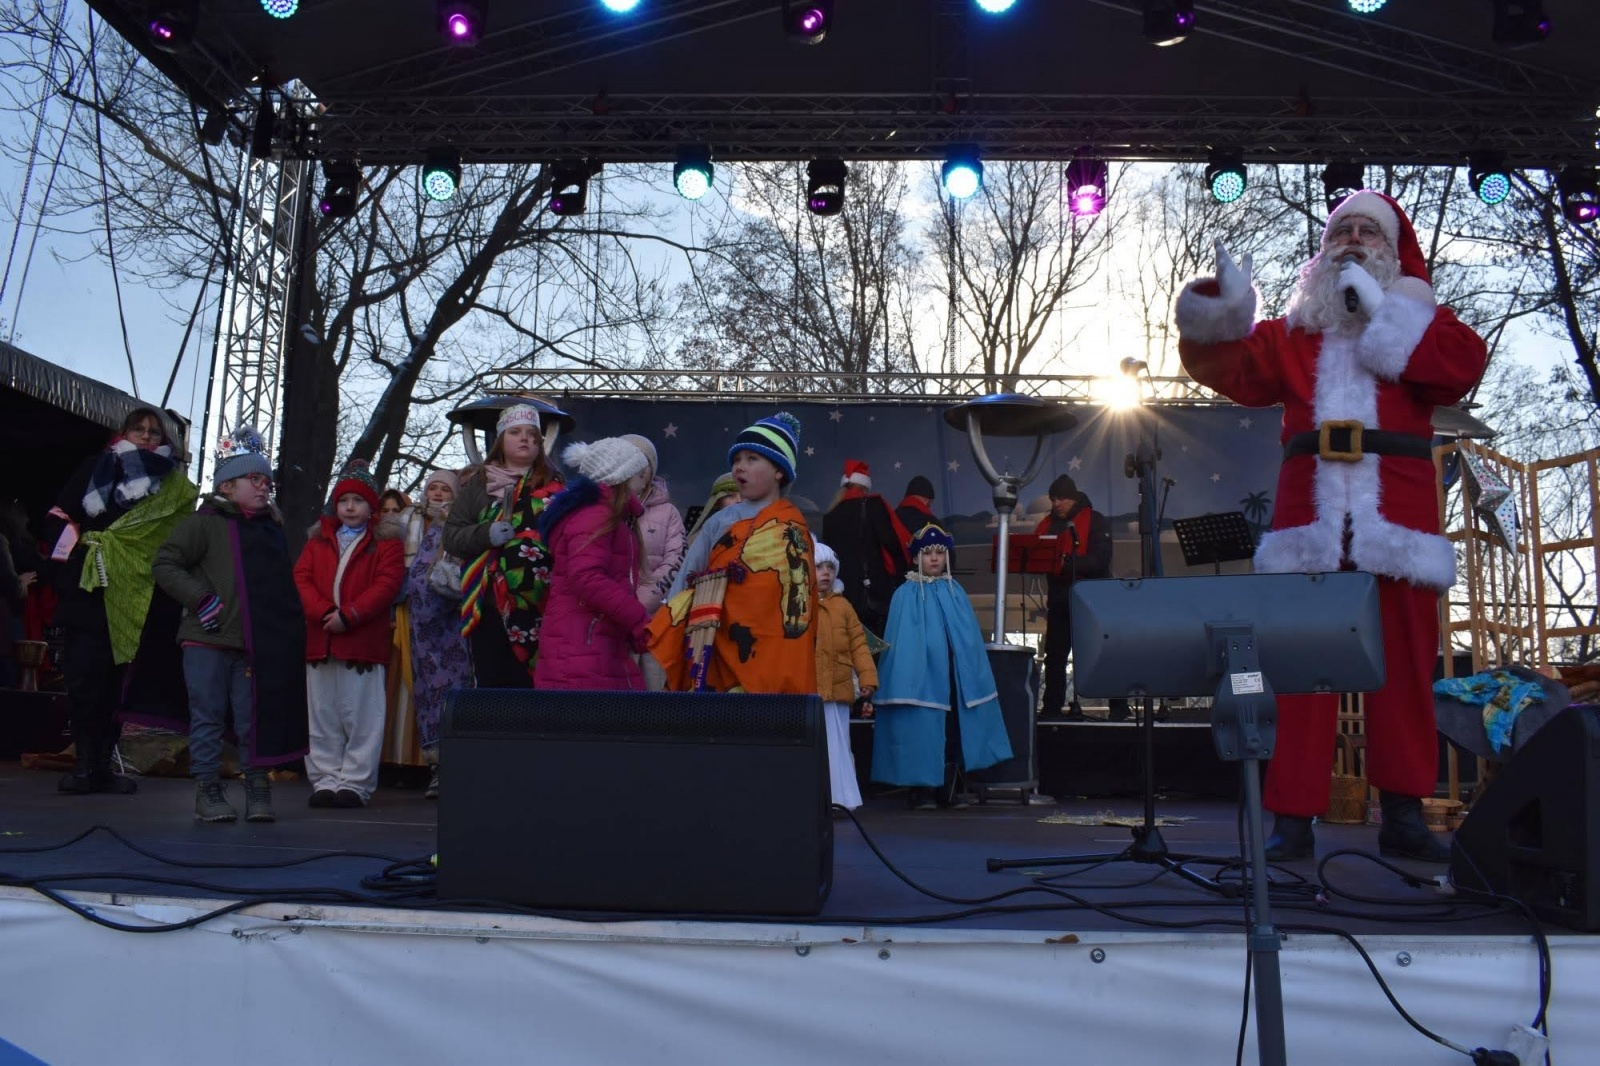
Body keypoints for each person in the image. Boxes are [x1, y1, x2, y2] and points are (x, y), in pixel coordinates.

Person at [1175, 189, 1487, 862]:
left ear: (1394, 248)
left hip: (1396, 518)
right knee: (1298, 671)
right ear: (1322, 250)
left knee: (1404, 670)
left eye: (1365, 230)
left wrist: (1385, 316)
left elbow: (1461, 367)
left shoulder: (1423, 320)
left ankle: (1404, 813)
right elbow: (1224, 365)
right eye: (1339, 230)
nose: (1350, 239)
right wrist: (1221, 307)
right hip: (1308, 520)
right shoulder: (1296, 331)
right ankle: (1292, 819)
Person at [152, 426, 308, 823]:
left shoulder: (270, 531)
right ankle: (208, 790)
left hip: (251, 643)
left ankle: (257, 786)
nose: (263, 487)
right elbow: (165, 563)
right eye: (254, 480)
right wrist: (200, 598)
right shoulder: (204, 522)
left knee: (252, 716)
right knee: (206, 715)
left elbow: (278, 590)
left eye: (266, 481)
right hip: (206, 638)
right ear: (227, 486)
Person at [42, 406, 196, 795]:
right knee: (83, 679)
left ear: (165, 442)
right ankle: (84, 765)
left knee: (119, 685)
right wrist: (82, 551)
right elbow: (59, 515)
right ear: (125, 430)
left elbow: (177, 542)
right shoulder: (97, 466)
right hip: (91, 588)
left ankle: (105, 766)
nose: (146, 437)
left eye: (154, 433)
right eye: (139, 429)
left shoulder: (173, 487)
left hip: (140, 594)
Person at [650, 413, 818, 694]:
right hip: (719, 646)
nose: (740, 467)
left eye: (752, 459)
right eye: (737, 460)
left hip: (777, 654)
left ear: (779, 470)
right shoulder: (719, 522)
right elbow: (686, 580)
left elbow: (801, 599)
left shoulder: (794, 528)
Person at [871, 524, 1012, 810]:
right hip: (920, 679)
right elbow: (900, 644)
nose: (934, 558)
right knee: (921, 729)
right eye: (927, 553)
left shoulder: (955, 591)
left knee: (953, 731)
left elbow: (968, 637)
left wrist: (968, 669)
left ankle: (949, 787)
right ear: (915, 559)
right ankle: (921, 790)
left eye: (939, 552)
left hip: (953, 675)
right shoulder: (905, 594)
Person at [293, 459, 406, 809]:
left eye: (358, 501)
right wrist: (325, 613)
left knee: (362, 716)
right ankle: (325, 779)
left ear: (371, 506)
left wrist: (350, 615)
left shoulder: (385, 544)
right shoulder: (319, 542)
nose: (350, 507)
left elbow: (386, 585)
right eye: (344, 501)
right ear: (336, 505)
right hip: (322, 640)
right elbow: (302, 579)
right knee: (323, 715)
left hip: (361, 643)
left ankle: (355, 783)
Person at [444, 404, 563, 687]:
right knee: (493, 686)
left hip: (543, 604)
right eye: (515, 432)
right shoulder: (479, 485)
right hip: (490, 604)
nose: (524, 438)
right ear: (500, 440)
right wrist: (487, 534)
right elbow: (452, 536)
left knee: (534, 689)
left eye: (532, 434)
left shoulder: (556, 485)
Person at [533, 438, 654, 690]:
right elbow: (587, 578)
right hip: (581, 649)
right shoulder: (595, 515)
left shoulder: (612, 516)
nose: (643, 478)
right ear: (621, 475)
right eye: (637, 472)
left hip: (597, 642)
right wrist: (637, 619)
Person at [401, 469, 470, 799]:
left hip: (453, 631)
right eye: (433, 487)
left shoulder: (458, 523)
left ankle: (457, 767)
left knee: (455, 694)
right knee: (428, 697)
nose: (438, 494)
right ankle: (436, 768)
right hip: (420, 631)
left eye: (445, 488)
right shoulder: (412, 522)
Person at [1033, 475, 1122, 720]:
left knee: (1103, 654)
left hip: (1093, 603)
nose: (1055, 503)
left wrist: (1066, 562)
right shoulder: (1047, 524)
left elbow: (1100, 560)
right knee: (1055, 657)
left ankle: (1118, 708)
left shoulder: (1096, 521)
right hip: (1061, 601)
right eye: (1053, 499)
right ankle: (1051, 708)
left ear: (1073, 498)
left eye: (1060, 498)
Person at [812, 541, 877, 811]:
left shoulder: (844, 607)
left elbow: (859, 645)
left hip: (838, 688)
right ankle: (816, 799)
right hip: (810, 687)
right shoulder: (797, 605)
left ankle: (841, 799)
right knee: (815, 744)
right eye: (818, 567)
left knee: (839, 743)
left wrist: (867, 679)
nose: (826, 572)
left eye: (830, 567)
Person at [821, 459, 912, 637]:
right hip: (872, 594)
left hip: (842, 596)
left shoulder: (830, 516)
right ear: (865, 486)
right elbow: (891, 543)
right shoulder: (873, 506)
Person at [619, 433, 686, 615]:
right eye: (630, 458)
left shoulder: (668, 513)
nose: (637, 466)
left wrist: (640, 604)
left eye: (643, 460)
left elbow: (675, 560)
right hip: (607, 610)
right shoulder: (601, 506)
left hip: (647, 614)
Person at [684, 471, 739, 550]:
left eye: (745, 495)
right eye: (730, 495)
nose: (739, 500)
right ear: (717, 501)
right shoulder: (701, 538)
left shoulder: (760, 533)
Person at [894, 475, 938, 543]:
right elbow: (947, 551)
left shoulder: (891, 518)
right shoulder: (932, 523)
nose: (929, 506)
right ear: (926, 499)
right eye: (930, 502)